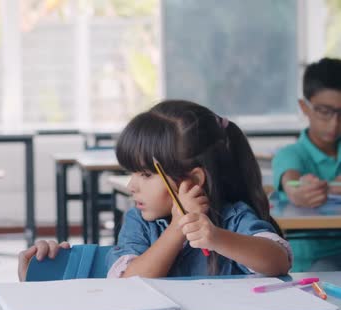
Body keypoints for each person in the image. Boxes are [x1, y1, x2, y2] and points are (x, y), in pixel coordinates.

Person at [19, 100, 292, 280]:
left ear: (193, 181)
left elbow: (278, 261)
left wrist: (216, 238)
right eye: (131, 173)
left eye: (146, 174)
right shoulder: (139, 222)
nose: (131, 185)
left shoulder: (233, 218)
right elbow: (130, 281)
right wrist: (176, 228)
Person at [272, 57, 341, 271]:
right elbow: (291, 179)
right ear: (304, 107)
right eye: (324, 111)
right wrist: (299, 190)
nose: (334, 122)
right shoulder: (290, 155)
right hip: (310, 265)